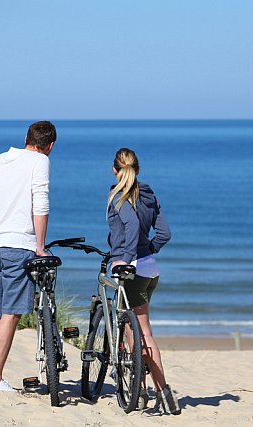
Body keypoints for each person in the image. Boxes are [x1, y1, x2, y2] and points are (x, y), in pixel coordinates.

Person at [0, 121, 57, 392]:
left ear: (26, 138)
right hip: (18, 247)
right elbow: (40, 202)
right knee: (11, 314)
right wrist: (40, 245)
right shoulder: (39, 161)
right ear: (49, 146)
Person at [106, 147, 180, 414]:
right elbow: (165, 233)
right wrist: (149, 249)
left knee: (140, 333)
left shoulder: (119, 195)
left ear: (115, 170)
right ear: (137, 169)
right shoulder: (148, 194)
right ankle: (151, 392)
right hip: (150, 270)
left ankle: (153, 392)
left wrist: (124, 257)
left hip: (132, 270)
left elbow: (131, 226)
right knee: (138, 328)